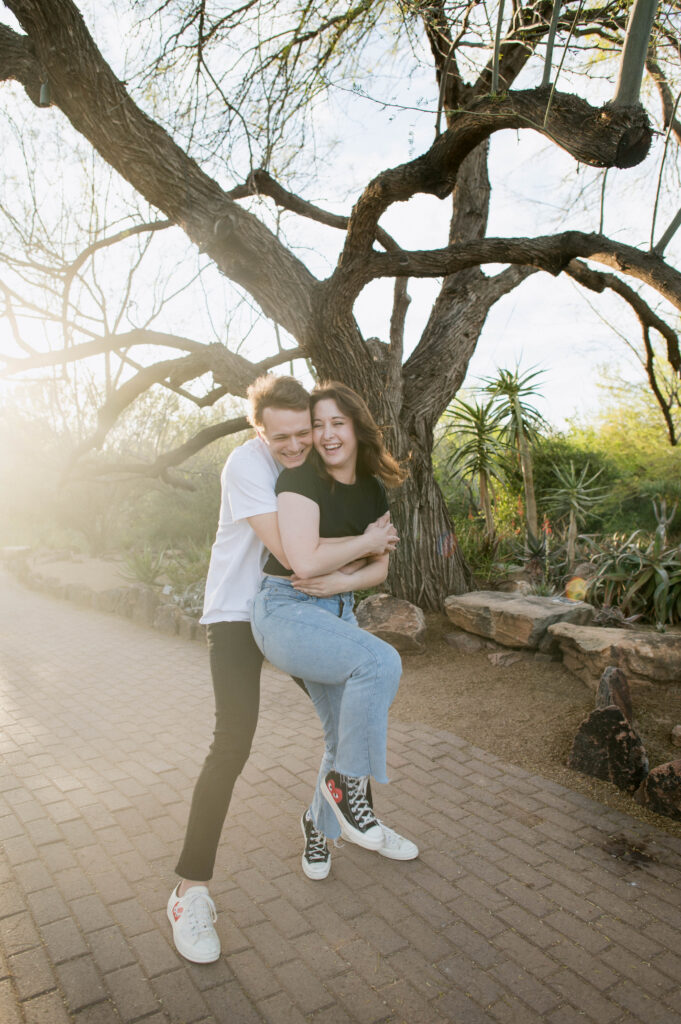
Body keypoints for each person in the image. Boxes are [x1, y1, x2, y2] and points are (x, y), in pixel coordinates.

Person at [167, 375, 408, 964]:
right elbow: (298, 555)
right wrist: (367, 541)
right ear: (260, 431)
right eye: (284, 438)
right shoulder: (247, 467)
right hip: (238, 613)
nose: (298, 445)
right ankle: (189, 892)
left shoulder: (320, 461)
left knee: (345, 716)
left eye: (306, 431)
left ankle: (327, 818)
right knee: (232, 743)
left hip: (305, 610)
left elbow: (337, 546)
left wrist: (356, 561)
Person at [251, 381, 418, 883]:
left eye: (335, 423)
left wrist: (343, 574)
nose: (325, 435)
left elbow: (379, 572)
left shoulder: (370, 488)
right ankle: (350, 789)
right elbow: (302, 561)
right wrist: (366, 541)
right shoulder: (301, 481)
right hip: (285, 611)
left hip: (336, 609)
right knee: (381, 661)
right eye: (317, 424)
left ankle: (318, 827)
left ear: (356, 428)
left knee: (339, 731)